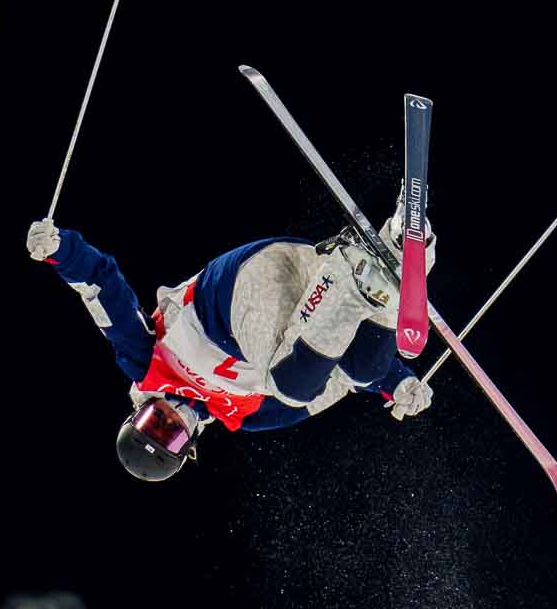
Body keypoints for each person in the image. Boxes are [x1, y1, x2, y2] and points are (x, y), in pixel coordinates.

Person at [27, 199, 436, 481]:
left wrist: (61, 251)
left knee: (287, 386)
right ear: (189, 444)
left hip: (238, 290)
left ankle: (354, 268)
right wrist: (395, 383)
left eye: (156, 421)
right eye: (173, 434)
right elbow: (336, 380)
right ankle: (399, 248)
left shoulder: (143, 362)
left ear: (136, 413)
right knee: (360, 369)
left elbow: (103, 286)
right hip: (311, 285)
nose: (174, 417)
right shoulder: (249, 415)